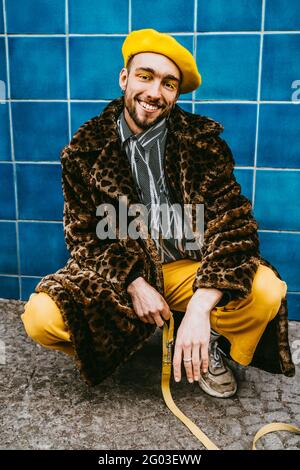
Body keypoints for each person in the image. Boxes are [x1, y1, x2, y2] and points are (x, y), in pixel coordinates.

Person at [21, 29, 295, 398]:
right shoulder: (83, 151)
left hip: (189, 266)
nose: (154, 92)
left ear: (177, 94)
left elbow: (236, 227)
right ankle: (128, 341)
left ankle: (207, 339)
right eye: (145, 76)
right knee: (41, 318)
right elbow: (84, 237)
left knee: (266, 290)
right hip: (124, 273)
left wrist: (200, 306)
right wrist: (134, 284)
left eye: (168, 83)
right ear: (125, 79)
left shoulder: (203, 144)